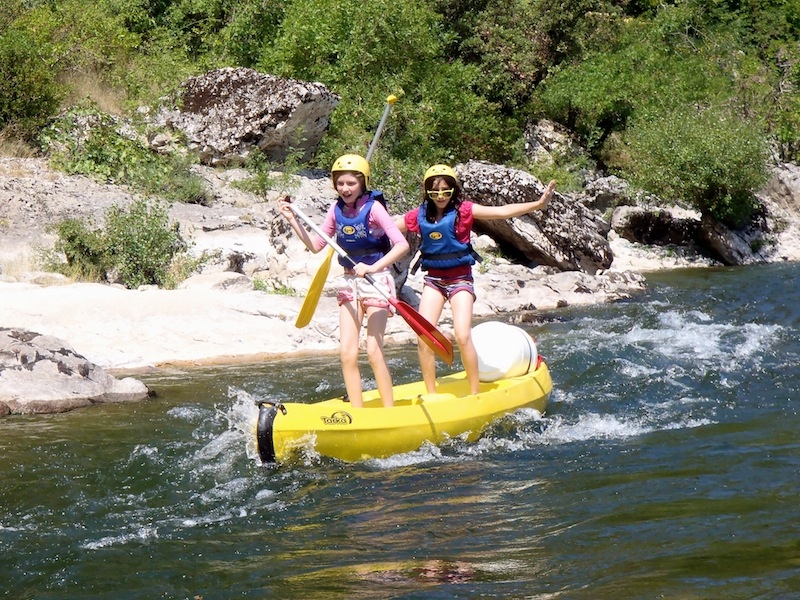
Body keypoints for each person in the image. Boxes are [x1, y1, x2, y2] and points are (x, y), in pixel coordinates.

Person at [396, 164, 556, 395]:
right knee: (425, 337)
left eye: (445, 191)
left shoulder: (465, 210)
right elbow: (386, 227)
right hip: (434, 281)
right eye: (435, 192)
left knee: (462, 335)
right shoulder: (419, 215)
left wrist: (538, 204)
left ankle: (474, 393)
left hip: (460, 281)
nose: (440, 196)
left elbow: (502, 212)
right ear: (427, 192)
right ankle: (431, 394)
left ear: (453, 190)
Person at [278, 154, 409, 408]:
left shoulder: (375, 209)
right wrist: (292, 218)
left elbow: (401, 245)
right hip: (349, 283)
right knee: (347, 353)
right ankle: (357, 412)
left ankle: (391, 411)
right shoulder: (335, 210)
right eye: (340, 183)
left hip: (377, 282)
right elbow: (316, 245)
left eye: (350, 183)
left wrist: (372, 267)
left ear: (362, 184)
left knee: (373, 350)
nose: (345, 188)